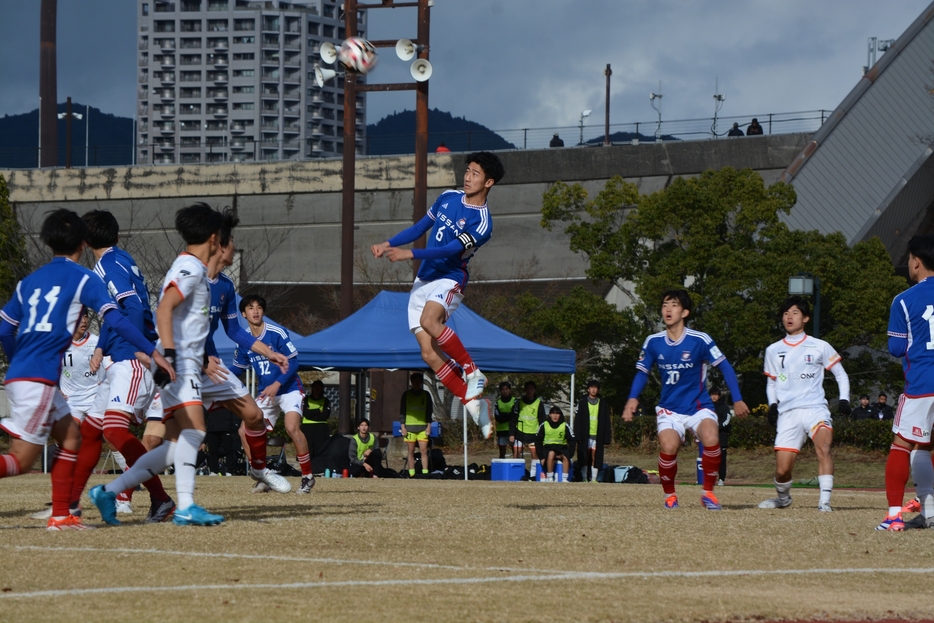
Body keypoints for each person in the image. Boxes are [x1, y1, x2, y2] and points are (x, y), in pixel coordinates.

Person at [0, 208, 174, 530]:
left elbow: (3, 328)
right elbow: (121, 315)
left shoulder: (29, 281)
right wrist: (151, 350)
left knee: (81, 435)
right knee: (25, 459)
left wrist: (17, 363)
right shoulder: (88, 276)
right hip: (47, 374)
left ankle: (66, 510)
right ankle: (76, 509)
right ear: (82, 241)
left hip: (42, 370)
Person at [89, 203, 226, 526]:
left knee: (175, 441)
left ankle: (113, 491)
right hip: (175, 361)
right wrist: (161, 354)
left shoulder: (188, 266)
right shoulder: (189, 268)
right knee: (191, 432)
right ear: (213, 237)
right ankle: (184, 506)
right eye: (224, 239)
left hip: (172, 360)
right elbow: (160, 309)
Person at [371, 152, 505, 427]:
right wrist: (388, 243)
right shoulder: (448, 197)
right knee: (427, 353)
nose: (468, 177)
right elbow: (421, 226)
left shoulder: (482, 223)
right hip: (424, 279)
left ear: (489, 182)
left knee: (429, 321)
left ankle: (472, 370)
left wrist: (409, 254)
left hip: (450, 277)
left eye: (475, 173)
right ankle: (473, 404)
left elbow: (448, 250)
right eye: (467, 171)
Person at [71, 209, 175, 524]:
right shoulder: (119, 258)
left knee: (115, 431)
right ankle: (69, 505)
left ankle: (160, 499)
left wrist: (138, 349)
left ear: (86, 241)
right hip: (120, 356)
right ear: (115, 235)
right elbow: (114, 313)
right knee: (91, 433)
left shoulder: (107, 266)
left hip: (130, 359)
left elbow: (132, 308)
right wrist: (101, 348)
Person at [622, 290, 750, 510]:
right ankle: (670, 495)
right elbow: (642, 372)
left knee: (711, 437)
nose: (668, 309)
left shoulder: (700, 340)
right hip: (669, 409)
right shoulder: (653, 342)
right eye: (664, 305)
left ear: (685, 312)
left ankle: (708, 493)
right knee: (669, 447)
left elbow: (725, 366)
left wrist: (737, 399)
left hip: (698, 406)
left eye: (674, 305)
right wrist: (632, 398)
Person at [760, 296, 851, 512]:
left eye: (795, 313)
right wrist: (772, 405)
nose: (789, 317)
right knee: (782, 470)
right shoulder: (773, 350)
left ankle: (824, 503)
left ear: (806, 318)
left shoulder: (819, 346)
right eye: (786, 313)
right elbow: (771, 383)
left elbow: (841, 374)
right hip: (788, 413)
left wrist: (845, 399)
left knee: (824, 447)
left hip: (815, 409)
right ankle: (783, 499)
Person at [878, 235, 934, 530]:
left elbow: (897, 348)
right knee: (926, 446)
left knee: (902, 445)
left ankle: (893, 516)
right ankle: (930, 512)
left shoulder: (904, 299)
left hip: (922, 383)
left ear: (916, 261)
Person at [234, 294, 313, 493]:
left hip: (289, 389)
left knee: (291, 427)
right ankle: (262, 474)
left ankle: (307, 477)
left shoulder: (276, 333)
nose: (255, 311)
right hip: (266, 393)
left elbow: (294, 362)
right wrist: (215, 374)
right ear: (244, 313)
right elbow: (237, 369)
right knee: (244, 431)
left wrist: (277, 383)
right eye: (250, 307)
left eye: (259, 307)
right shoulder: (243, 340)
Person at [575, 379, 611, 483]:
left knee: (596, 456)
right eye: (591, 388)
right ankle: (584, 477)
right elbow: (578, 420)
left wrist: (606, 437)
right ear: (588, 389)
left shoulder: (602, 403)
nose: (593, 390)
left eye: (595, 388)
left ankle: (594, 479)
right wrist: (578, 436)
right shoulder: (582, 402)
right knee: (584, 456)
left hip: (597, 435)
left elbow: (607, 421)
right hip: (585, 435)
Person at [400, 372, 434, 478]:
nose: (416, 383)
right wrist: (402, 426)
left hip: (423, 427)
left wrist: (429, 425)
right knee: (411, 451)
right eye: (415, 381)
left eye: (418, 381)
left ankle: (425, 473)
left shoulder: (426, 395)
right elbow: (402, 411)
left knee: (424, 451)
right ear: (411, 382)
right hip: (409, 428)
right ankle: (411, 473)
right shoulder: (406, 394)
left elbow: (429, 411)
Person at [536, 406, 574, 482]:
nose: (555, 416)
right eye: (553, 414)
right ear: (550, 415)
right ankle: (550, 477)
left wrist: (570, 454)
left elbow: (572, 440)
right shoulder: (544, 425)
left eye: (557, 414)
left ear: (560, 415)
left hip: (561, 448)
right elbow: (537, 441)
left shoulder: (565, 425)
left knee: (566, 456)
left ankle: (565, 478)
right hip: (548, 448)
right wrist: (541, 457)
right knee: (551, 454)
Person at [512, 380, 545, 466]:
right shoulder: (519, 402)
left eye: (531, 389)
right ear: (525, 390)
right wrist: (511, 434)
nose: (529, 391)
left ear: (535, 390)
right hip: (520, 432)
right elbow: (513, 418)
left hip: (534, 433)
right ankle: (516, 475)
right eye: (527, 389)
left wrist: (543, 435)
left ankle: (533, 475)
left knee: (534, 455)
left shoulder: (539, 403)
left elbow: (542, 420)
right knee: (516, 454)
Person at [204, 406, 242, 476]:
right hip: (212, 428)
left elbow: (235, 411)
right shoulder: (210, 401)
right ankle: (214, 470)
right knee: (212, 450)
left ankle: (229, 470)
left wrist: (235, 425)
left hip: (227, 428)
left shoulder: (228, 399)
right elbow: (204, 413)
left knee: (229, 450)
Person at [301, 380, 332, 459]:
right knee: (307, 449)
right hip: (307, 427)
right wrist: (318, 411)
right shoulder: (306, 399)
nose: (317, 389)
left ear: (322, 388)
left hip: (321, 428)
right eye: (315, 387)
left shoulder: (326, 401)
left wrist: (312, 413)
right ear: (312, 388)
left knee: (321, 449)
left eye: (319, 387)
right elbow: (306, 413)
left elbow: (325, 416)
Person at [709, 388, 731, 486]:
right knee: (710, 459)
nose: (713, 397)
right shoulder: (707, 407)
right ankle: (710, 479)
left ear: (719, 396)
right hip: (709, 437)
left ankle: (721, 479)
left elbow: (727, 421)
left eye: (715, 395)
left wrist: (716, 427)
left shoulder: (724, 407)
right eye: (712, 395)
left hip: (721, 437)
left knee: (722, 460)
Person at [494, 381, 518, 459]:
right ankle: (502, 470)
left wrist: (504, 415)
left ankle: (515, 470)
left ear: (510, 390)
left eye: (506, 389)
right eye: (503, 389)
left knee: (515, 454)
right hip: (501, 431)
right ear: (500, 391)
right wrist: (509, 415)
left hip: (513, 431)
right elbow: (498, 418)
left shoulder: (515, 401)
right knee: (502, 454)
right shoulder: (498, 403)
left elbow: (515, 416)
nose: (505, 391)